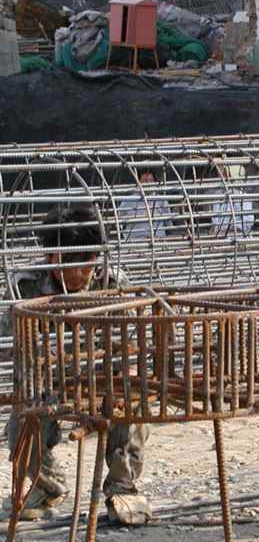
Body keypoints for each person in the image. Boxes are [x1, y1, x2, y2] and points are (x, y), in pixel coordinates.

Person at [1, 206, 151, 525]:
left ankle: (123, 488)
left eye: (89, 262)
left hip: (101, 373)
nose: (81, 272)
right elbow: (5, 340)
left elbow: (134, 338)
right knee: (21, 424)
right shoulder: (25, 285)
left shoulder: (112, 281)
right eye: (72, 262)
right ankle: (48, 487)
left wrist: (129, 371)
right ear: (52, 257)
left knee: (131, 404)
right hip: (47, 378)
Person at [118, 170, 172, 241]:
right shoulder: (128, 201)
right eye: (145, 181)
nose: (148, 184)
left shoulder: (162, 201)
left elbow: (169, 225)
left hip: (158, 241)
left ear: (155, 182)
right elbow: (120, 223)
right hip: (134, 243)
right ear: (139, 182)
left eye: (150, 180)